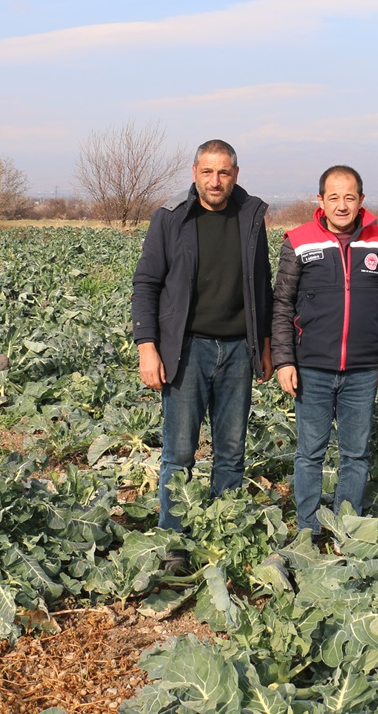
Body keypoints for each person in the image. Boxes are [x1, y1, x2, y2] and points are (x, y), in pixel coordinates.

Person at [132, 140, 274, 539]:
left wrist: (265, 344)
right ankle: (173, 538)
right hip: (187, 350)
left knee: (231, 452)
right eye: (207, 172)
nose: (215, 181)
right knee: (179, 454)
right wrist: (147, 347)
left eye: (223, 172)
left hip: (238, 351)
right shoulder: (171, 217)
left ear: (235, 175)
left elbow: (262, 284)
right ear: (194, 172)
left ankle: (222, 533)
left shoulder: (250, 216)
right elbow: (146, 284)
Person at [272, 165, 378, 539]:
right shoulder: (299, 241)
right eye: (334, 197)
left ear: (361, 200)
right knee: (309, 453)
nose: (342, 205)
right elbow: (282, 304)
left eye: (349, 197)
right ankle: (307, 529)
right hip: (311, 367)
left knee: (356, 455)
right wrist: (284, 360)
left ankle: (345, 531)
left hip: (363, 370)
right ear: (320, 200)